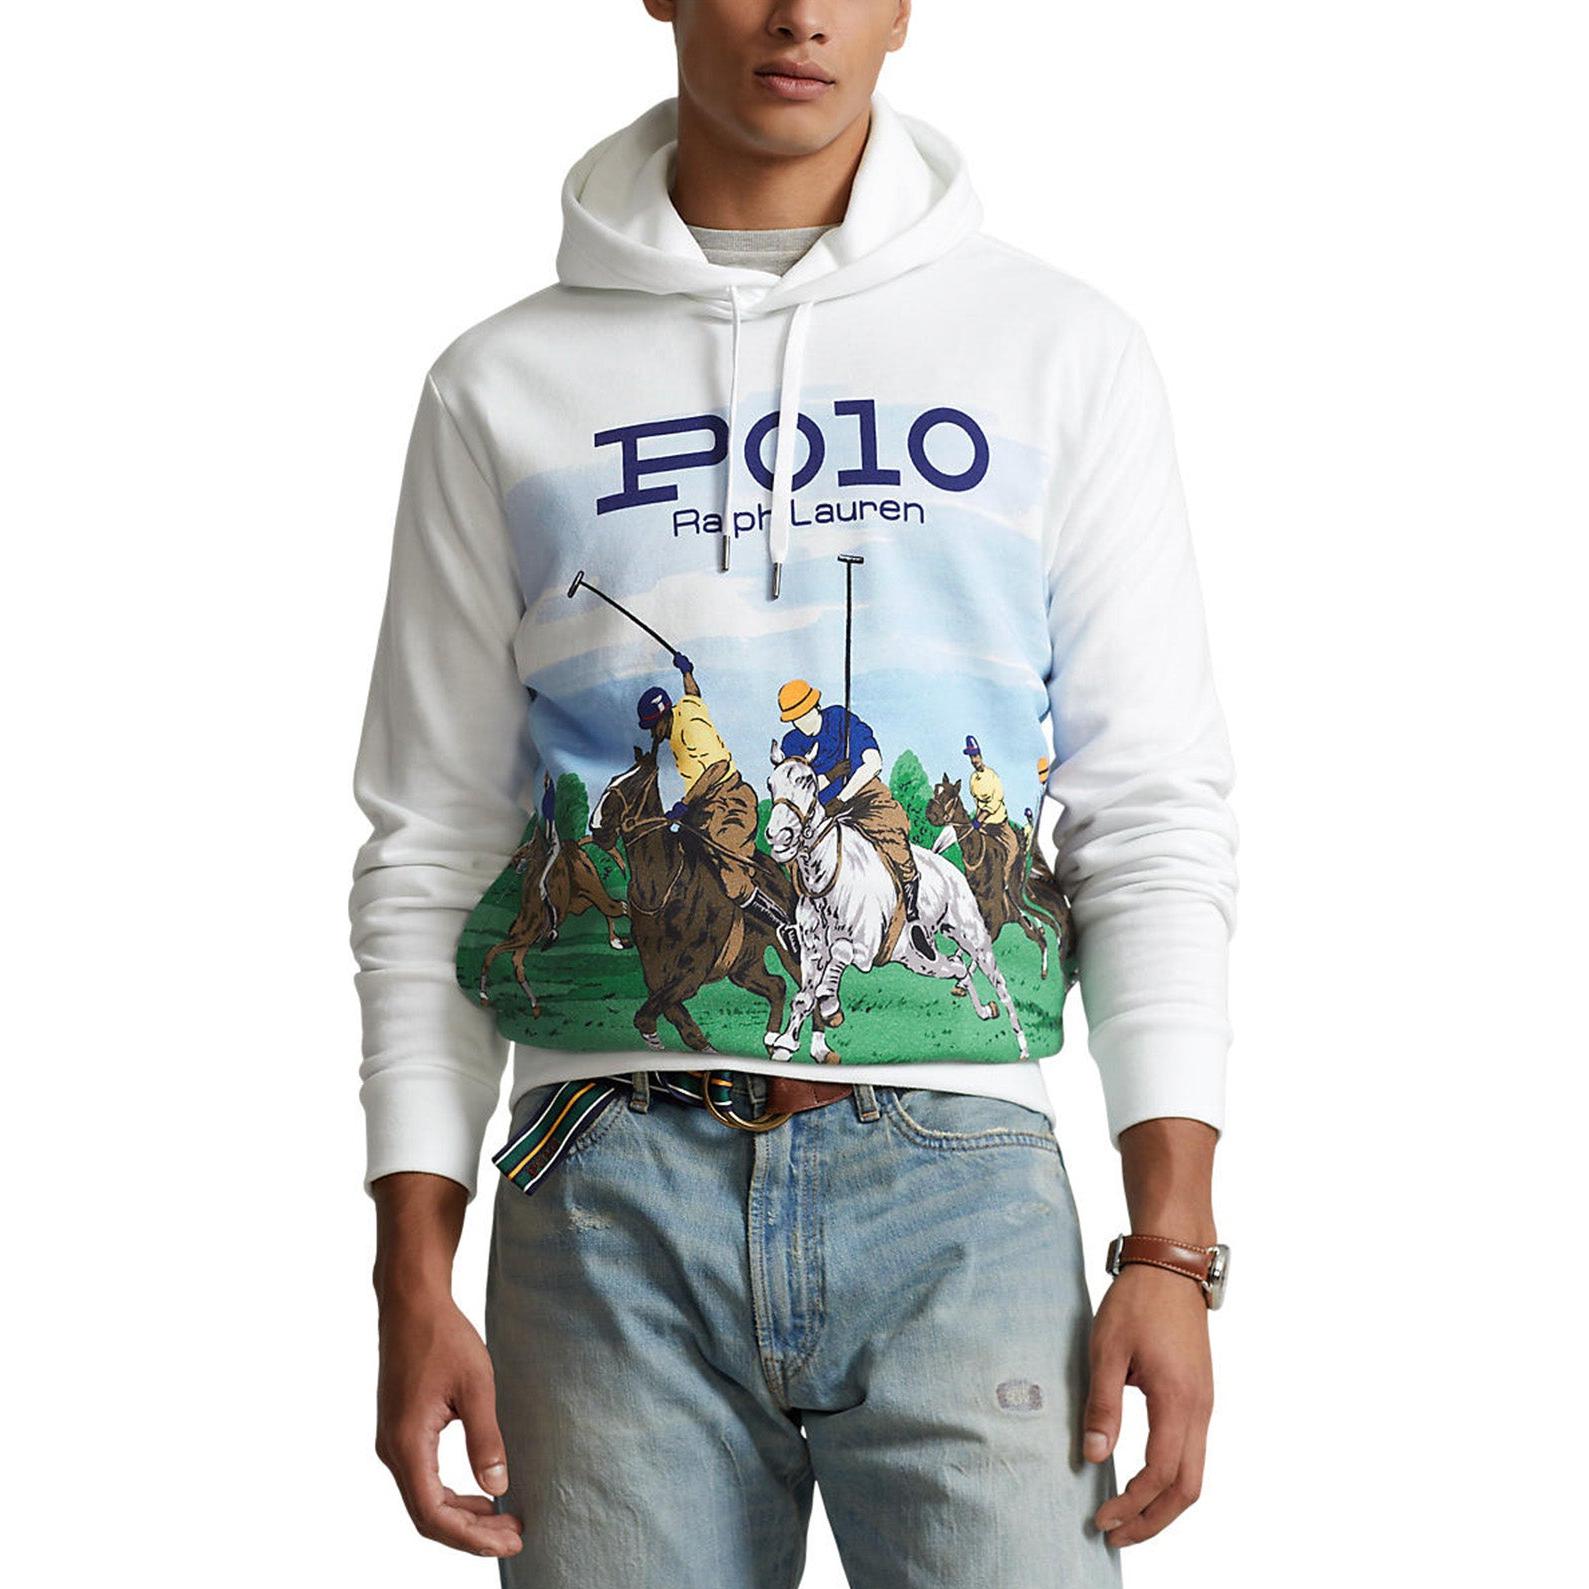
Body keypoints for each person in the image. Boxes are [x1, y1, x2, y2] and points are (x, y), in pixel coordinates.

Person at [351, 3, 1237, 1585]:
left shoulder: (1058, 349)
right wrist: (410, 1277)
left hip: (959, 1182)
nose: (798, 15)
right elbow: (432, 842)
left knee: (874, 857)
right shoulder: (500, 383)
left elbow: (1150, 808)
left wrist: (1169, 1245)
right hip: (601, 1191)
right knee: (721, 851)